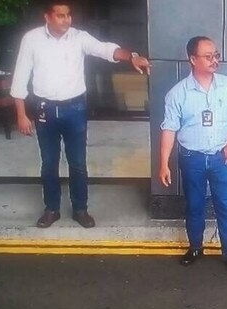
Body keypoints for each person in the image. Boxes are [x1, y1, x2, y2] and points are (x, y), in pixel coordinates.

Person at [11, 1, 151, 228]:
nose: (66, 20)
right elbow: (20, 75)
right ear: (47, 17)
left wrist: (131, 56)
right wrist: (21, 113)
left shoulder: (79, 37)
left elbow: (106, 49)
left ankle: (80, 209)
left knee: (77, 163)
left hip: (75, 109)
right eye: (60, 16)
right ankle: (52, 209)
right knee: (49, 163)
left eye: (68, 15)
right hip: (45, 109)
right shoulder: (32, 39)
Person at [158, 36, 227, 271]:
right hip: (192, 158)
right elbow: (169, 129)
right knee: (195, 205)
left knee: (226, 205)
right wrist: (164, 164)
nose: (214, 60)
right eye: (208, 56)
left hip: (221, 157)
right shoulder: (178, 94)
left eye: (216, 55)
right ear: (192, 59)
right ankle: (196, 247)